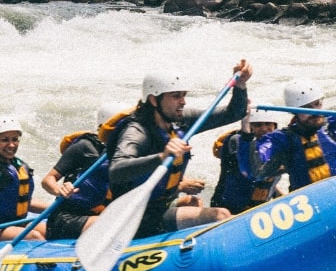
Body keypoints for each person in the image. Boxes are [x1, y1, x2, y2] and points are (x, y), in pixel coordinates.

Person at [106, 60, 252, 239]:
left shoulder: (181, 121)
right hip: (134, 218)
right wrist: (161, 156)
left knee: (195, 204)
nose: (183, 102)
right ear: (153, 99)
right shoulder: (137, 132)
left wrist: (240, 86)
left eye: (183, 95)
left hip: (160, 208)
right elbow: (116, 170)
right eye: (175, 96)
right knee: (220, 216)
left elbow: (234, 113)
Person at [41, 109, 112, 240]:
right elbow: (47, 180)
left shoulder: (127, 153)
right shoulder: (84, 147)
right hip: (67, 218)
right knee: (108, 224)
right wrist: (60, 190)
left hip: (99, 215)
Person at [210, 108, 284, 214]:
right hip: (230, 211)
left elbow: (267, 181)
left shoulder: (277, 145)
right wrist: (246, 133)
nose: (264, 129)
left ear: (275, 126)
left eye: (268, 124)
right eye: (258, 125)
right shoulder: (236, 142)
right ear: (250, 127)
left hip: (257, 210)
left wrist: (282, 196)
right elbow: (253, 170)